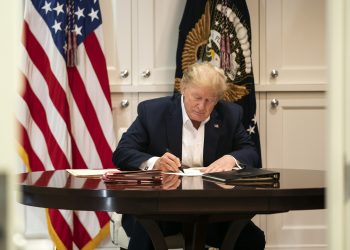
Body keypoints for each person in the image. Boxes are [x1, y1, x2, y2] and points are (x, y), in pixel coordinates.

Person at [112, 62, 265, 250]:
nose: (202, 106)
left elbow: (250, 151)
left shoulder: (230, 115)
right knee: (145, 232)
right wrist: (155, 162)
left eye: (210, 100)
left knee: (252, 238)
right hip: (158, 208)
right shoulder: (153, 112)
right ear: (183, 89)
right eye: (197, 97)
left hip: (211, 211)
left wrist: (232, 158)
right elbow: (122, 153)